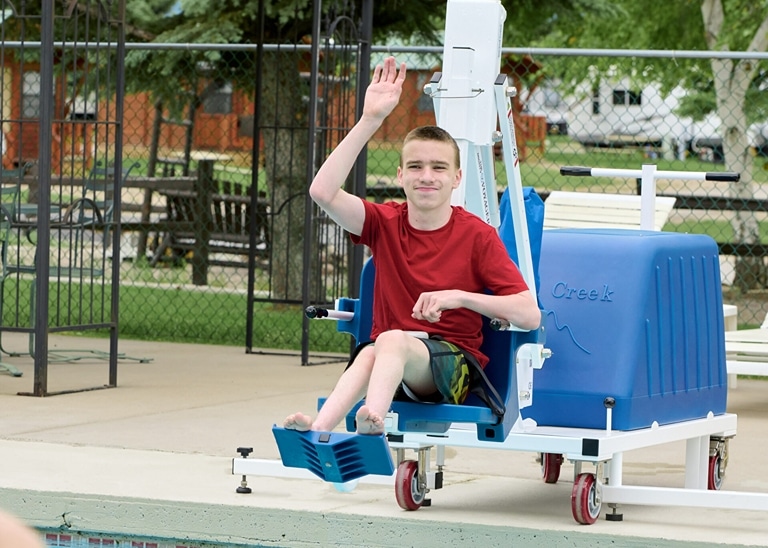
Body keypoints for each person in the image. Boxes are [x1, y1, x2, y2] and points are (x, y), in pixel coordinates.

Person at [284, 56, 540, 435]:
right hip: (395, 362)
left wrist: (460, 297)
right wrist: (370, 120)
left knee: (387, 341)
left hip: (453, 372)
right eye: (416, 167)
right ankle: (319, 428)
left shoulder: (477, 236)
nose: (426, 177)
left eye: (438, 168)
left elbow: (529, 315)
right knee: (373, 349)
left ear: (456, 178)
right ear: (401, 175)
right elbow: (322, 192)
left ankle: (373, 419)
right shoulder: (385, 222)